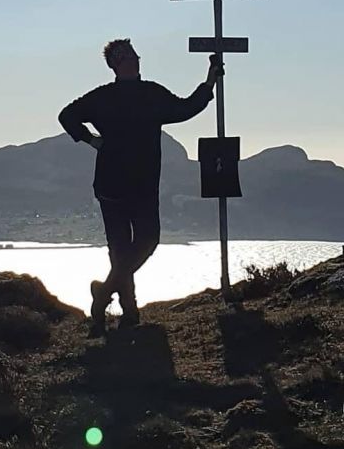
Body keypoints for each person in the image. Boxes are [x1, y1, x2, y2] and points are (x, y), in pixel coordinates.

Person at [58, 38, 223, 335]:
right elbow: (66, 116)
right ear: (116, 64)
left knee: (145, 242)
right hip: (116, 185)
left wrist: (209, 81)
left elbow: (185, 108)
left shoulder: (149, 93)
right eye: (128, 57)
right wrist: (91, 140)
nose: (135, 59)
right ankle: (129, 312)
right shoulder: (107, 96)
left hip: (139, 184)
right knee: (121, 249)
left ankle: (104, 294)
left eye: (135, 55)